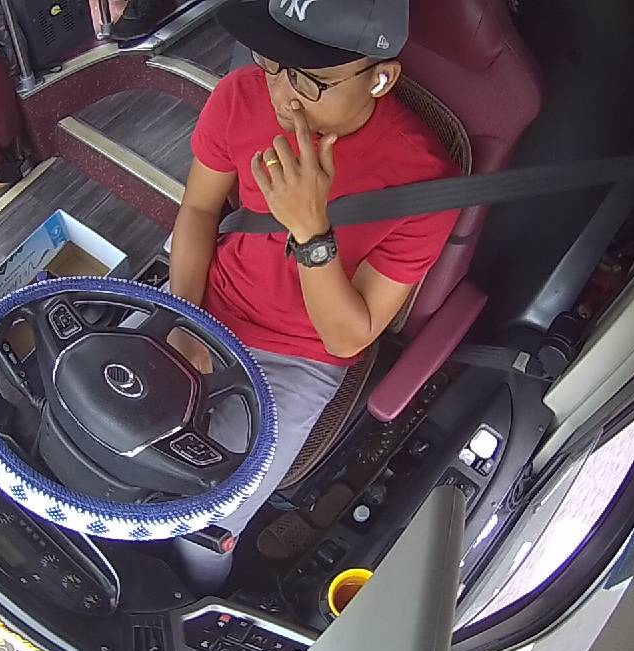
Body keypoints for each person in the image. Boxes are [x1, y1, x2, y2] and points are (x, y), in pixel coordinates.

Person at [169, 0, 461, 591]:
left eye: (311, 79)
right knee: (105, 427)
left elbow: (347, 336)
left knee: (203, 520)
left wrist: (311, 233)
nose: (284, 96)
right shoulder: (242, 95)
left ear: (380, 78)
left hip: (298, 357)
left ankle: (195, 595)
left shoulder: (423, 181)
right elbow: (198, 209)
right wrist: (184, 316)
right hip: (209, 305)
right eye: (273, 62)